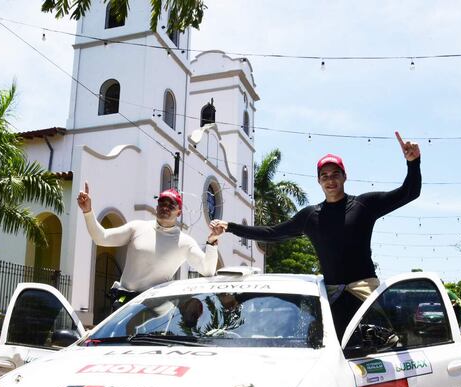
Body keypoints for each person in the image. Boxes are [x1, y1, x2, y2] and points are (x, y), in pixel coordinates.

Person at [211, 132, 421, 339]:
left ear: (345, 176)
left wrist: (413, 163)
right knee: (322, 345)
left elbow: (409, 192)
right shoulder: (310, 216)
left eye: (335, 174)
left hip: (365, 293)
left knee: (384, 344)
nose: (330, 180)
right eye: (325, 176)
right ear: (319, 181)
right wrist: (230, 227)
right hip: (331, 298)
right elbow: (272, 233)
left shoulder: (364, 205)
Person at [77, 183, 222, 309]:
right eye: (162, 203)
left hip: (155, 310)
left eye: (171, 205)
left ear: (179, 212)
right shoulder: (137, 227)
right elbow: (101, 238)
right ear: (156, 206)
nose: (165, 207)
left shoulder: (185, 242)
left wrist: (212, 242)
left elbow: (208, 270)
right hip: (124, 305)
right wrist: (87, 211)